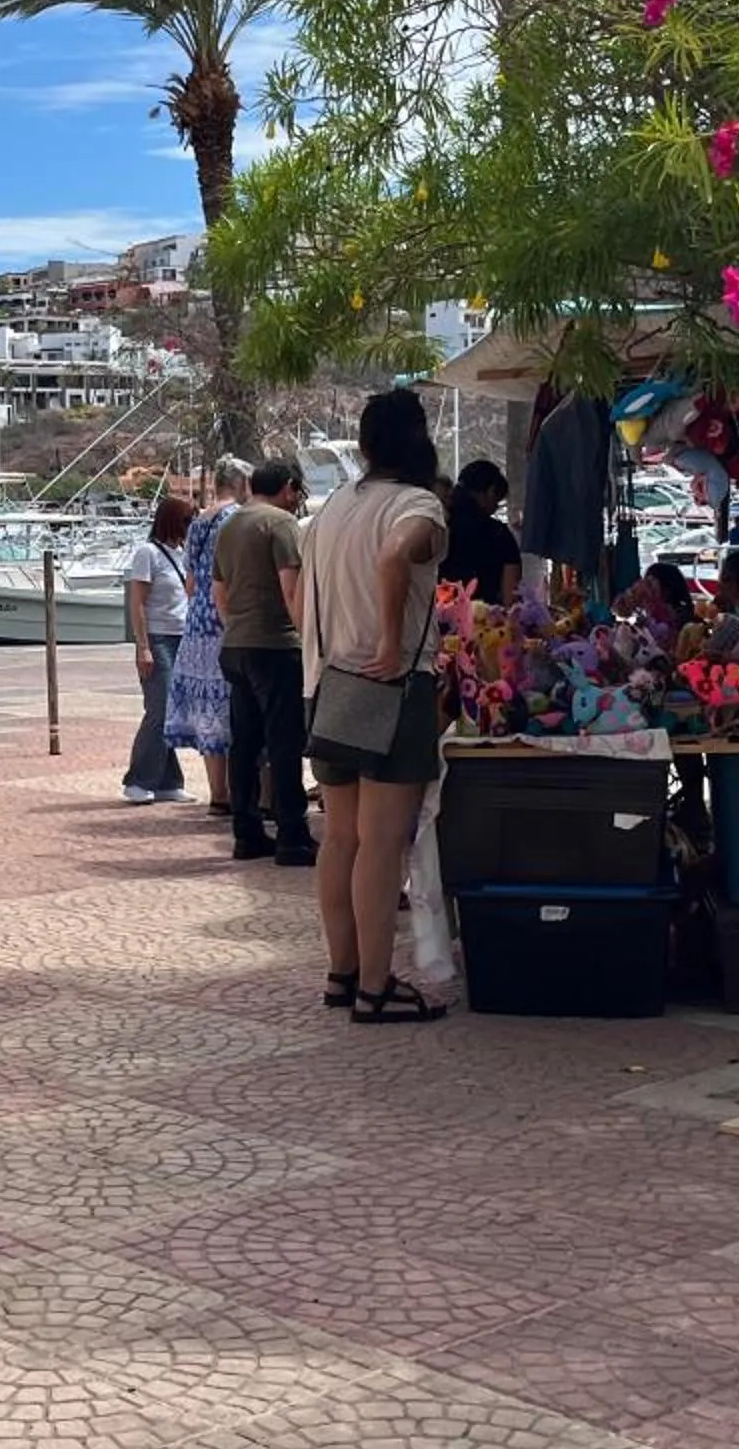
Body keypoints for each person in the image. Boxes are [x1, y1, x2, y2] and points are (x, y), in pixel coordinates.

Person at [302, 389, 450, 1021]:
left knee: (340, 839)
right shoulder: (419, 505)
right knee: (382, 842)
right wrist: (391, 641)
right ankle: (375, 986)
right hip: (391, 687)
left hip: (327, 685)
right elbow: (396, 554)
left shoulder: (330, 508)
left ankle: (342, 974)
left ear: (363, 446)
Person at [214, 460, 314, 866]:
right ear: (289, 488)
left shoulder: (231, 524)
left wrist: (236, 627)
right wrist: (306, 639)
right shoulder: (281, 523)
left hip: (236, 644)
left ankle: (247, 832)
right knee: (285, 743)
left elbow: (218, 591)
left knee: (245, 744)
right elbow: (292, 589)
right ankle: (293, 837)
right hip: (274, 645)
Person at [166, 458, 252, 813]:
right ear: (241, 483)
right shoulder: (236, 518)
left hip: (196, 622)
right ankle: (237, 792)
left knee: (206, 711)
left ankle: (218, 793)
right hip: (223, 620)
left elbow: (189, 583)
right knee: (230, 707)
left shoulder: (200, 519)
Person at [121, 495, 195, 804]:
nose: (190, 526)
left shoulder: (183, 554)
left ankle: (167, 780)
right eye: (187, 520)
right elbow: (137, 603)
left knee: (174, 712)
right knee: (159, 709)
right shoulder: (147, 553)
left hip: (182, 637)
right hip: (158, 637)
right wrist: (143, 647)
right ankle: (138, 778)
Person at [441, 458, 520, 605]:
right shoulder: (499, 534)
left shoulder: (435, 526)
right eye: (497, 501)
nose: (496, 508)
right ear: (490, 492)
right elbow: (511, 597)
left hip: (436, 621)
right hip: (484, 622)